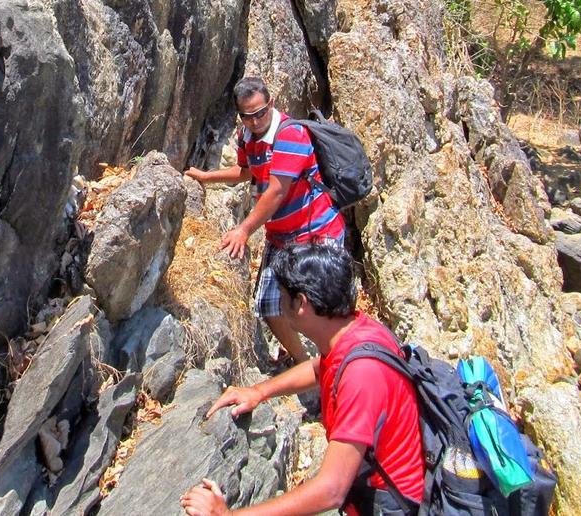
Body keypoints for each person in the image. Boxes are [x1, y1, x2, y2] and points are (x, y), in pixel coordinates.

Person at [179, 244, 425, 516]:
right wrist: (259, 392)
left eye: (284, 296)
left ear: (301, 304)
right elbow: (321, 370)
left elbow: (332, 489)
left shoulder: (363, 373)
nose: (280, 304)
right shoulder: (355, 332)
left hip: (386, 506)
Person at [185, 76, 344, 364]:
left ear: (271, 103)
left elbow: (276, 190)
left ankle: (338, 366)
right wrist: (208, 177)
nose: (256, 120)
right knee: (270, 308)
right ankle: (306, 367)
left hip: (317, 231)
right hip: (282, 236)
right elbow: (247, 172)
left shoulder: (290, 134)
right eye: (248, 116)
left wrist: (243, 229)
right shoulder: (247, 136)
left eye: (261, 112)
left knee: (325, 308)